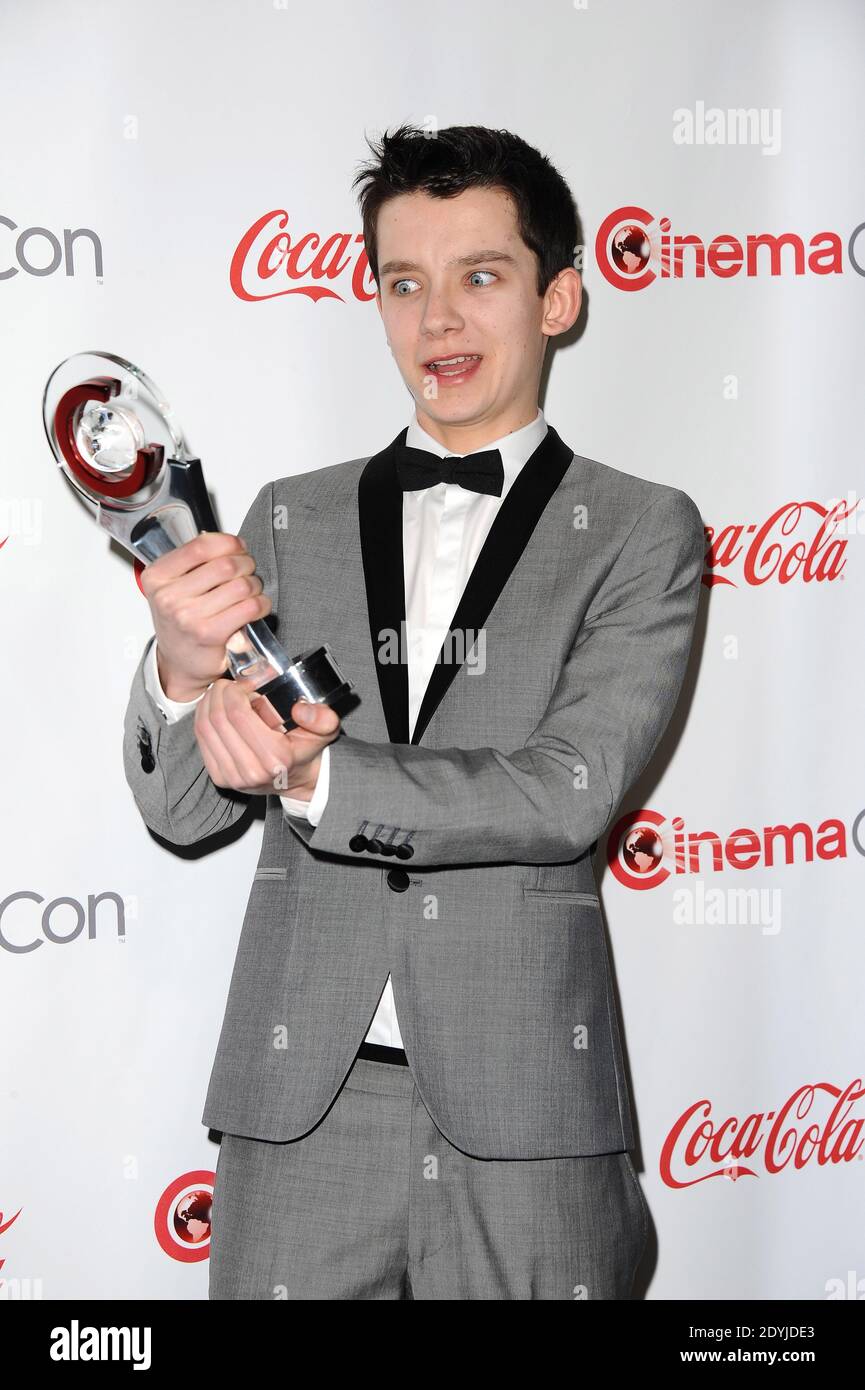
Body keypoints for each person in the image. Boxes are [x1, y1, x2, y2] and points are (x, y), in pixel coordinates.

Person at [123, 124, 705, 1300]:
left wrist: (313, 779)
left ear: (559, 299)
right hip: (301, 1118)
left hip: (529, 1111)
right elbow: (180, 811)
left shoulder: (644, 530)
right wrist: (180, 674)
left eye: (479, 277)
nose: (436, 321)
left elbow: (568, 790)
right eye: (404, 283)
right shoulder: (287, 517)